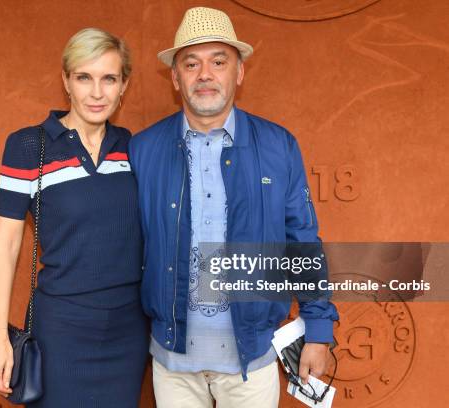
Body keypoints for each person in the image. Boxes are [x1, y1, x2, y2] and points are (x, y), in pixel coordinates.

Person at [128, 7, 339, 408]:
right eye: (191, 63)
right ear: (175, 78)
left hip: (252, 363)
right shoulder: (143, 149)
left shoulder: (279, 146)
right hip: (172, 366)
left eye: (218, 61)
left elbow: (303, 242)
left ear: (239, 72)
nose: (204, 74)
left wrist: (319, 330)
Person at [0, 28, 149, 407]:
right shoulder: (28, 146)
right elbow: (6, 245)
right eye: (84, 78)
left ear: (124, 85)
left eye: (109, 78)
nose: (96, 92)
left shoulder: (134, 148)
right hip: (60, 329)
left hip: (128, 330)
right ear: (66, 82)